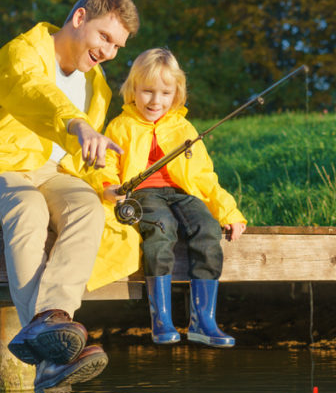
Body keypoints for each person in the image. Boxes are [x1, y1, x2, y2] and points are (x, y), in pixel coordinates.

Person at [0, 0, 141, 393]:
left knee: (87, 207)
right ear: (79, 18)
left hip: (53, 172)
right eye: (105, 37)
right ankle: (51, 348)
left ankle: (52, 326)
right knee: (28, 209)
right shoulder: (21, 52)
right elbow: (33, 94)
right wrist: (76, 123)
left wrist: (107, 186)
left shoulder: (97, 85)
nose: (109, 52)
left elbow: (82, 160)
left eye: (118, 45)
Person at [91, 48, 247, 347]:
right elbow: (106, 165)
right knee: (161, 229)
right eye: (148, 91)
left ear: (176, 94)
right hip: (144, 193)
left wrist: (228, 212)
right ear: (133, 90)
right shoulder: (120, 126)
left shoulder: (183, 128)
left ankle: (204, 321)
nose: (155, 100)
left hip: (181, 194)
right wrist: (110, 187)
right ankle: (161, 319)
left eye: (165, 93)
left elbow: (203, 175)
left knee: (207, 229)